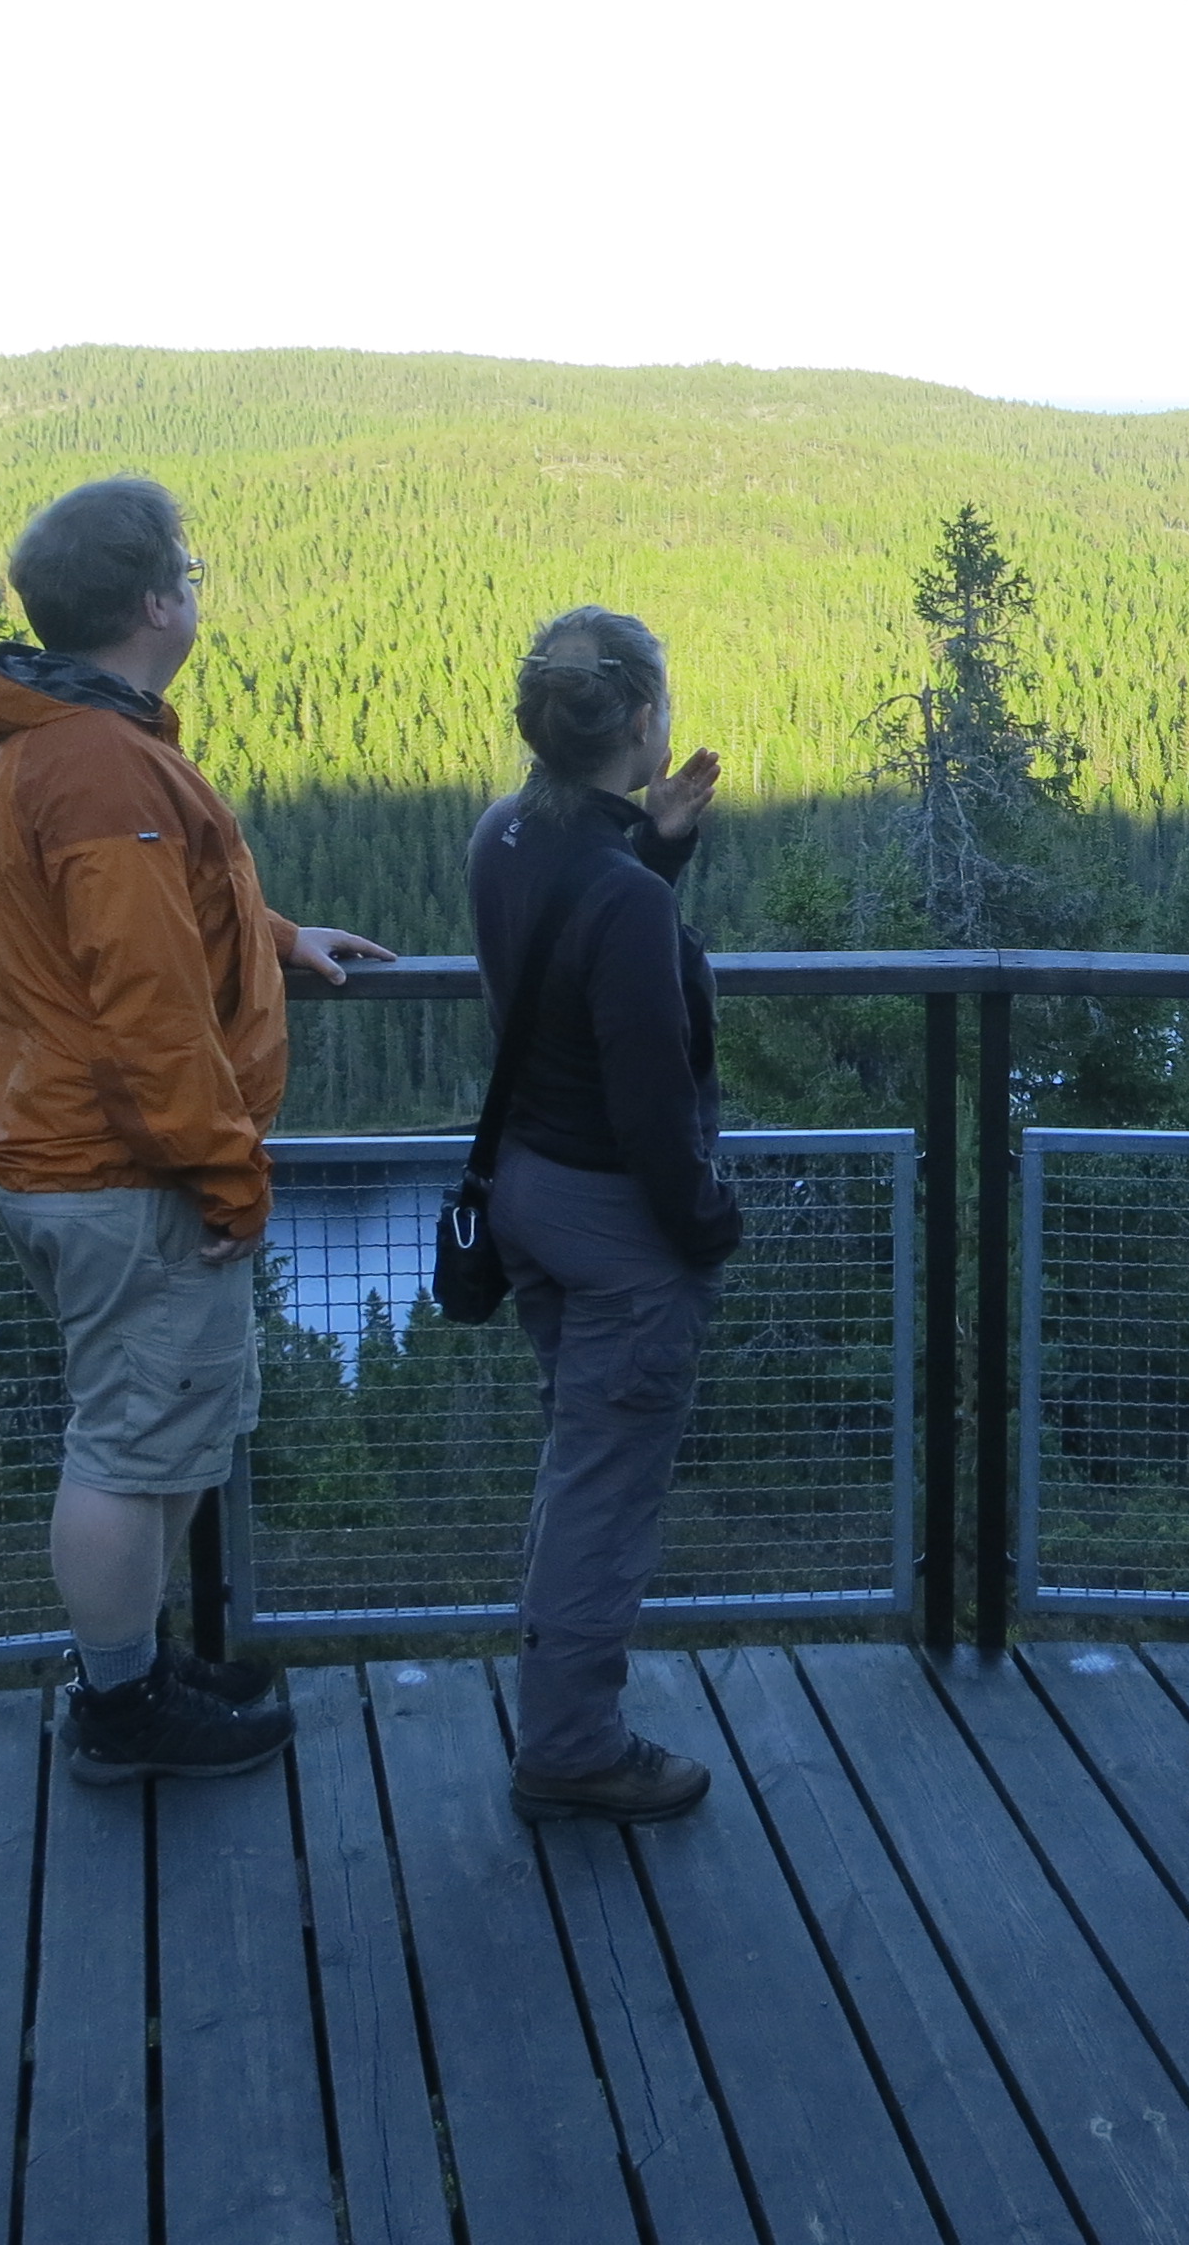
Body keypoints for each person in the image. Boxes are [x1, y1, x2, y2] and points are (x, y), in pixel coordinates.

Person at [0, 476, 398, 1787]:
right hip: (127, 1170)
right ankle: (120, 1709)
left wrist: (274, 937)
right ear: (154, 603)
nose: (196, 590)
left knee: (157, 1437)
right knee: (123, 1450)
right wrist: (228, 1175)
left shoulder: (65, 740)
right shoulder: (101, 762)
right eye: (189, 573)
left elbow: (144, 917)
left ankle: (136, 1665)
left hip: (85, 1156)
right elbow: (148, 1003)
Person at [468, 606, 740, 1824]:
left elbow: (564, 978)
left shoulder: (504, 831)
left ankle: (560, 1712)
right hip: (615, 1222)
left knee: (578, 1461)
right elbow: (648, 1092)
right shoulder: (620, 896)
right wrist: (704, 1224)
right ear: (638, 720)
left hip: (526, 1189)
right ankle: (572, 1750)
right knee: (606, 1493)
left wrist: (656, 851)